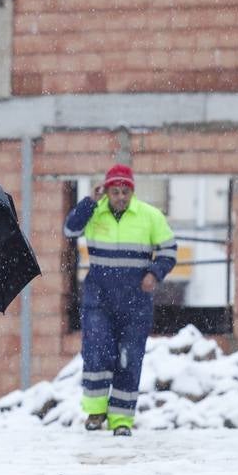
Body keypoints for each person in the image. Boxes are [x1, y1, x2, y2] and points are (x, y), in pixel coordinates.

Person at [63, 164, 177, 436]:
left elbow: (169, 251)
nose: (121, 197)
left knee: (129, 358)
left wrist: (154, 273)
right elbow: (70, 229)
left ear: (132, 191)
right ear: (107, 191)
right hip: (98, 300)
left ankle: (121, 420)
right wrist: (90, 201)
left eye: (125, 191)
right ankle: (95, 412)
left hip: (135, 303)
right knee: (97, 352)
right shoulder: (94, 212)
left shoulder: (149, 216)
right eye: (115, 191)